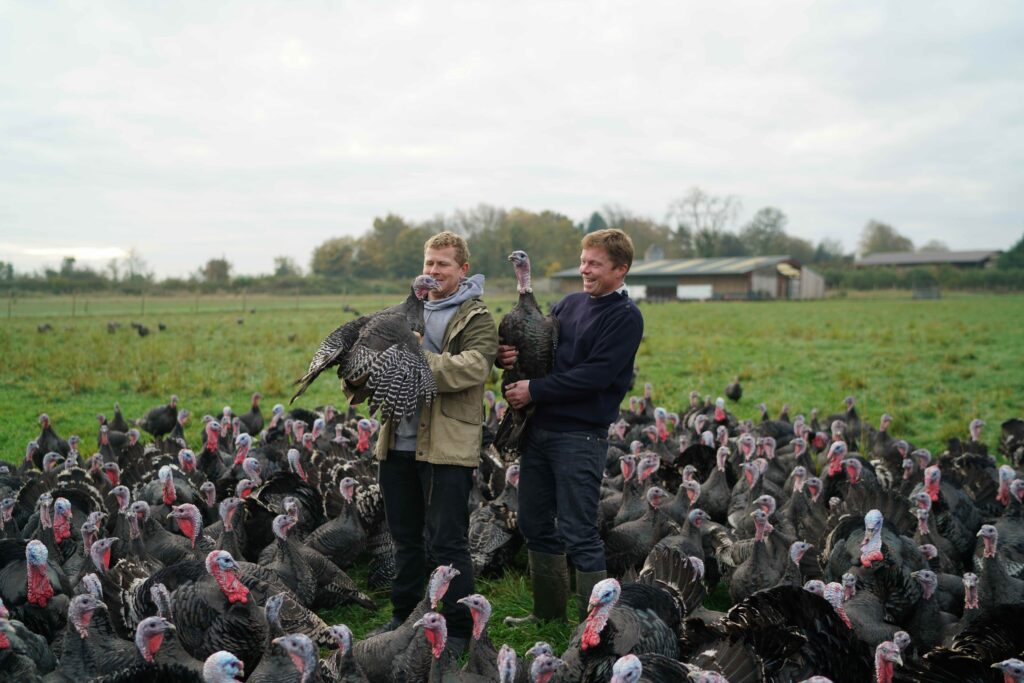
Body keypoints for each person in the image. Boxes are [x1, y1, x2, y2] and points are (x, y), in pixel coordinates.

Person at [349, 231, 498, 651]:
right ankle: (405, 617)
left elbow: (473, 368)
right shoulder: (403, 311)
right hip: (397, 441)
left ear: (462, 270)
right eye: (429, 263)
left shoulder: (477, 317)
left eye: (443, 265)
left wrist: (415, 356)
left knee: (447, 540)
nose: (433, 271)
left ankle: (461, 629)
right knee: (405, 537)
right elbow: (372, 366)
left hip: (447, 446)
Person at [500, 228, 644, 623]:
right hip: (540, 431)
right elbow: (539, 352)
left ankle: (591, 626)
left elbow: (594, 376)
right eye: (583, 261)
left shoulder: (625, 317)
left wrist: (535, 390)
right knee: (533, 522)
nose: (585, 269)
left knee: (579, 531)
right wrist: (508, 356)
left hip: (580, 436)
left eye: (595, 264)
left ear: (620, 269)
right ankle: (547, 614)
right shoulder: (568, 304)